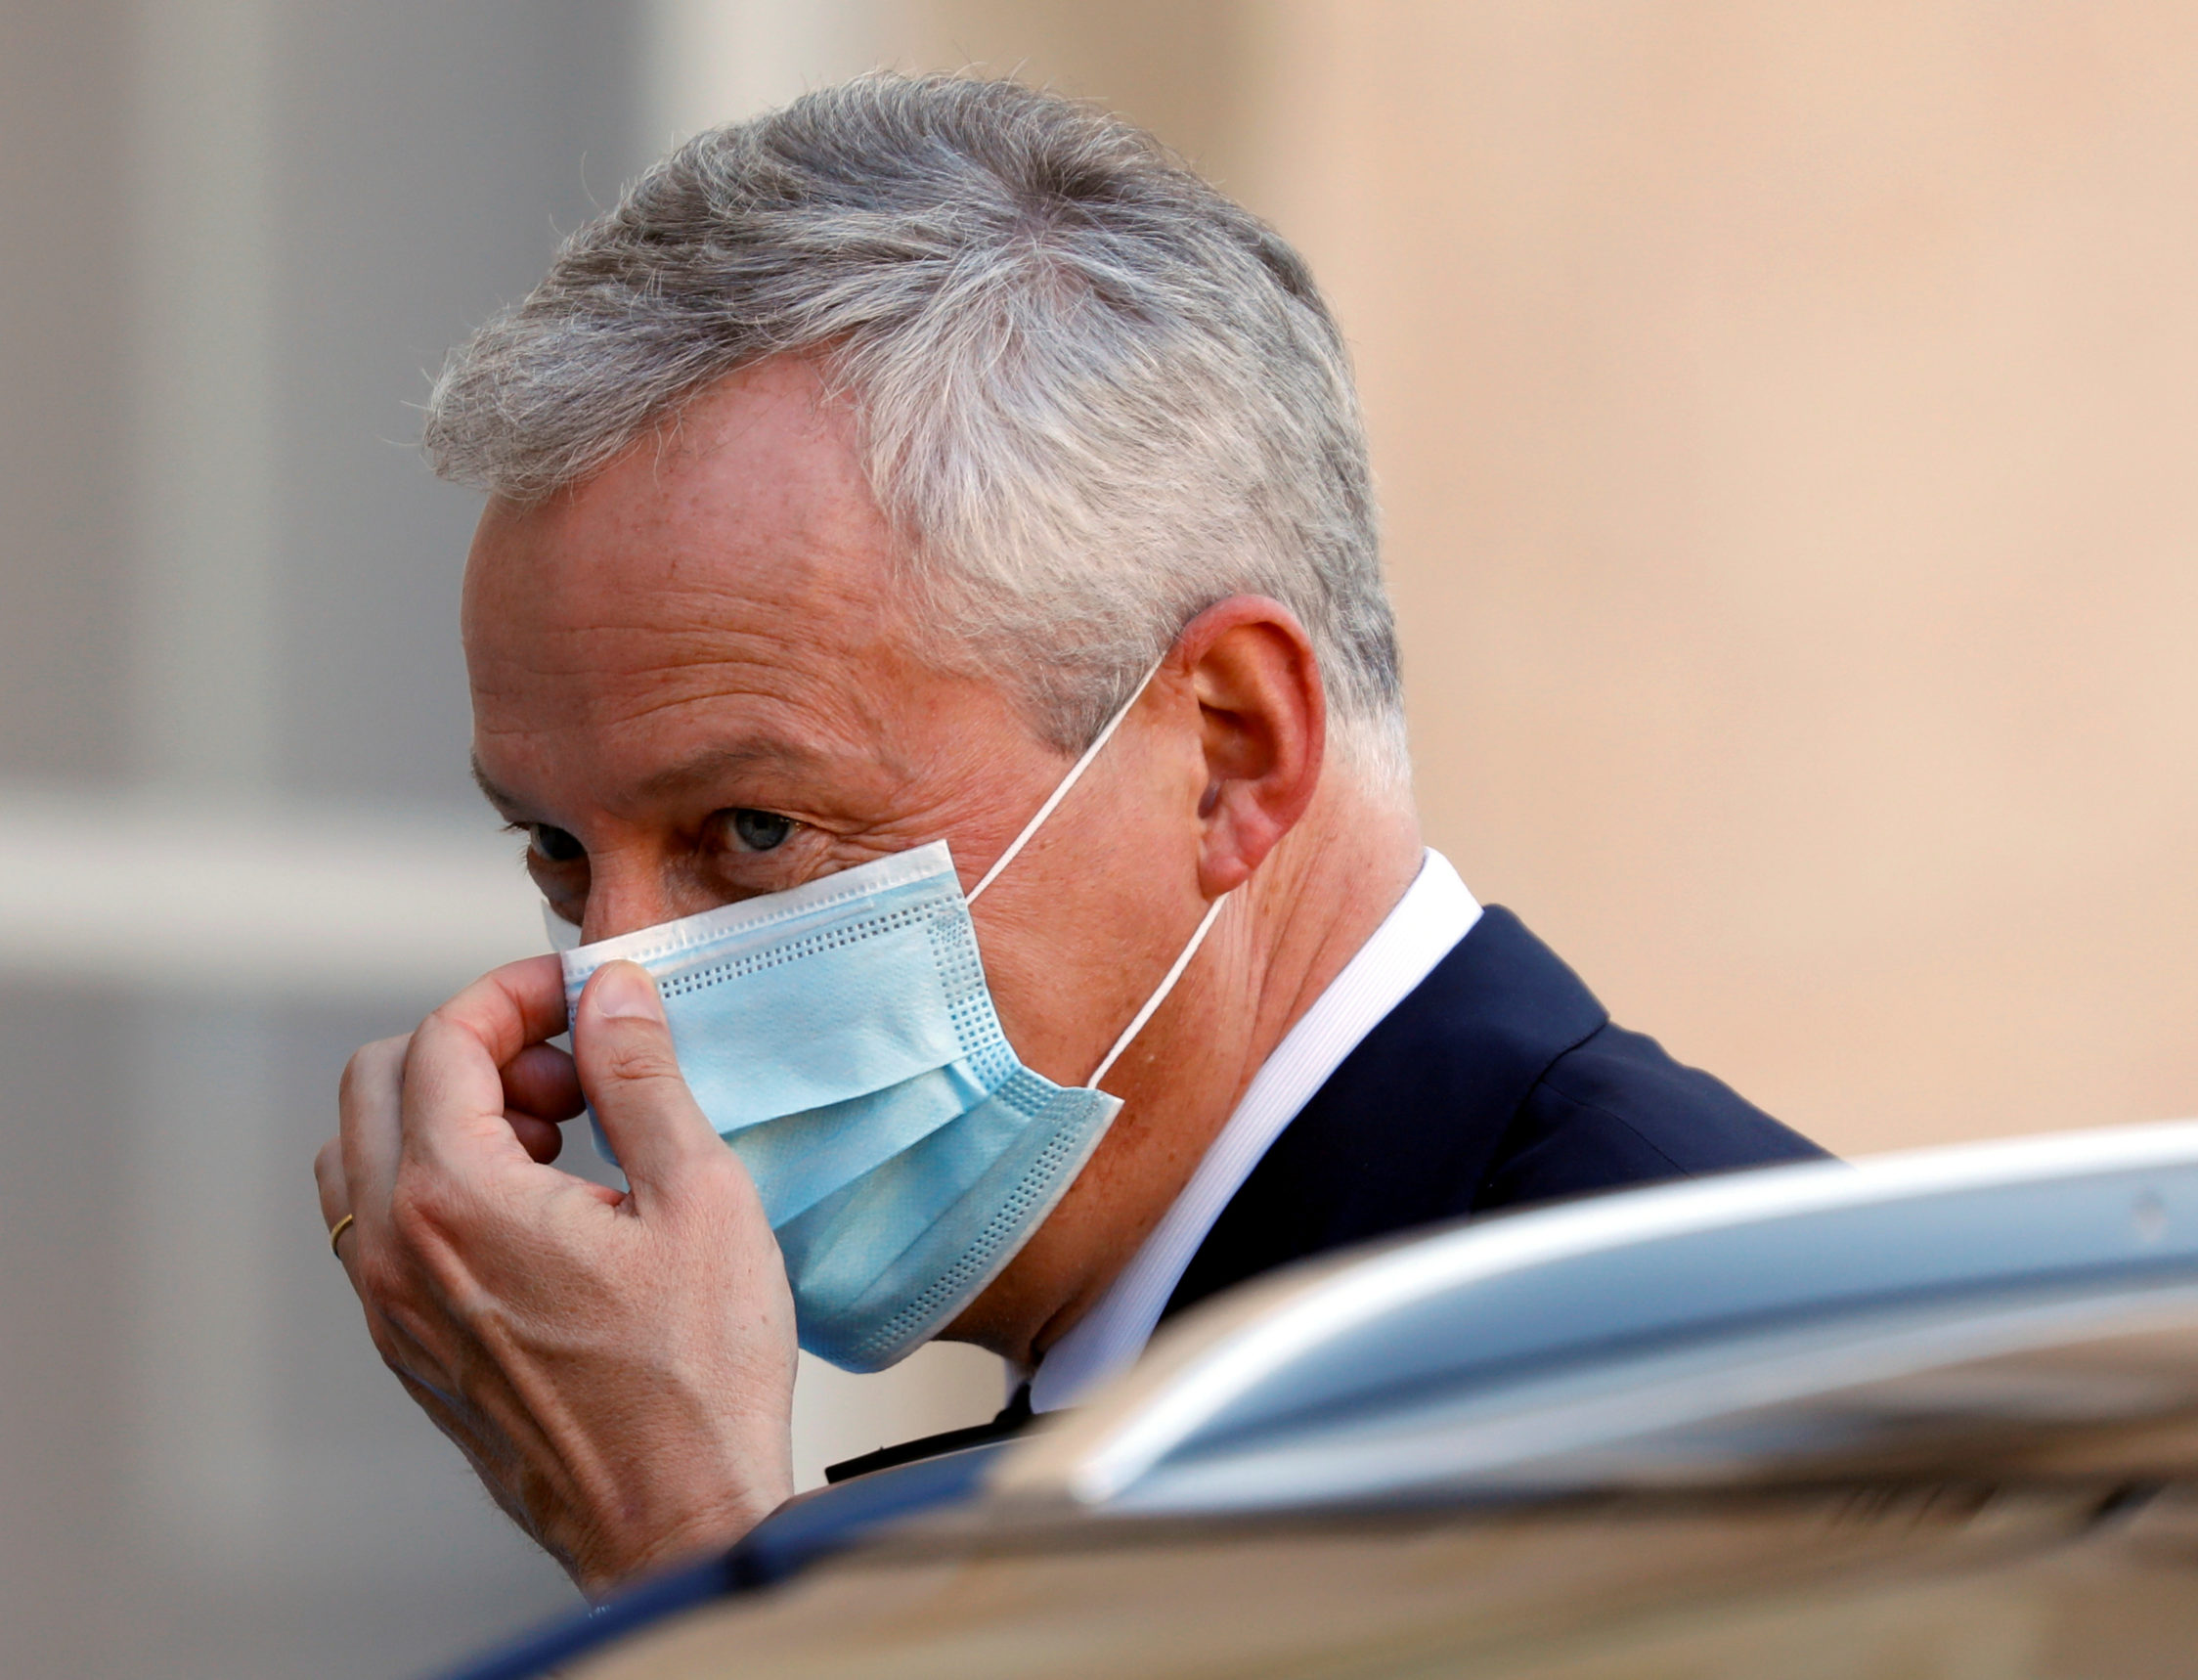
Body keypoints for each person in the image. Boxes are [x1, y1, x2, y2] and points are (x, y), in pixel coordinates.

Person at [310, 72, 1824, 1595]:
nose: (617, 993)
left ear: (1230, 752)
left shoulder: (1726, 1385)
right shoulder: (1160, 1399)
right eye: (560, 853)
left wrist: (678, 1541)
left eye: (753, 826)